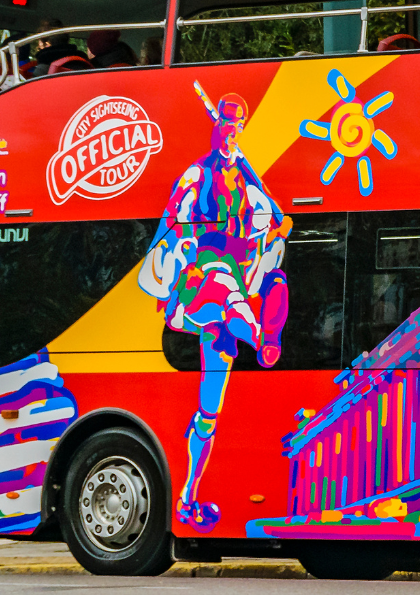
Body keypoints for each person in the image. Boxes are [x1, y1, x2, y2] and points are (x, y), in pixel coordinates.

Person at [136, 86, 290, 532]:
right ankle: (261, 338)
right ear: (216, 123)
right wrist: (173, 256)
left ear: (240, 127)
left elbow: (277, 218)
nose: (229, 131)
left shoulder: (245, 173)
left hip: (234, 283)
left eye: (235, 124)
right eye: (224, 122)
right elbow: (171, 223)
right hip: (200, 281)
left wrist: (275, 227)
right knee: (224, 287)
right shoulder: (196, 175)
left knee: (209, 412)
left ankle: (188, 497)